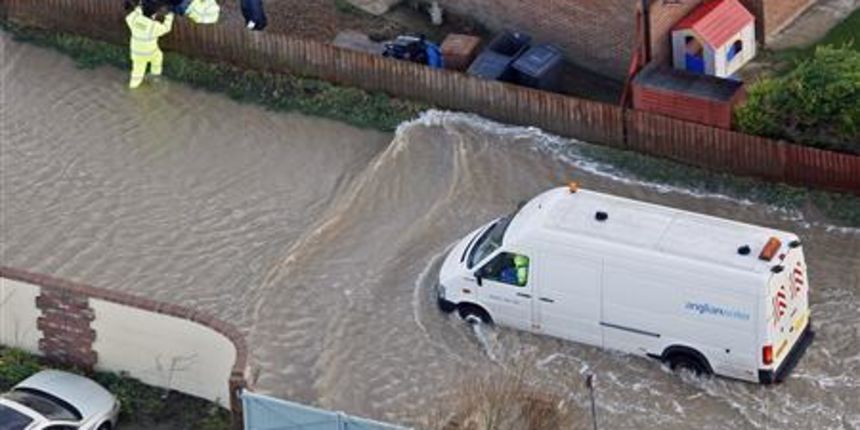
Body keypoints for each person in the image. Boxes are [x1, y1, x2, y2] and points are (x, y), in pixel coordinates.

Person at [125, 2, 174, 88]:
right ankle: (155, 76)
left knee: (137, 72)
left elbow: (130, 17)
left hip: (136, 53)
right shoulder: (153, 26)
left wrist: (139, 8)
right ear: (153, 14)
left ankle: (133, 86)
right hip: (150, 52)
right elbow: (167, 28)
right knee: (158, 57)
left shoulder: (134, 20)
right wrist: (169, 15)